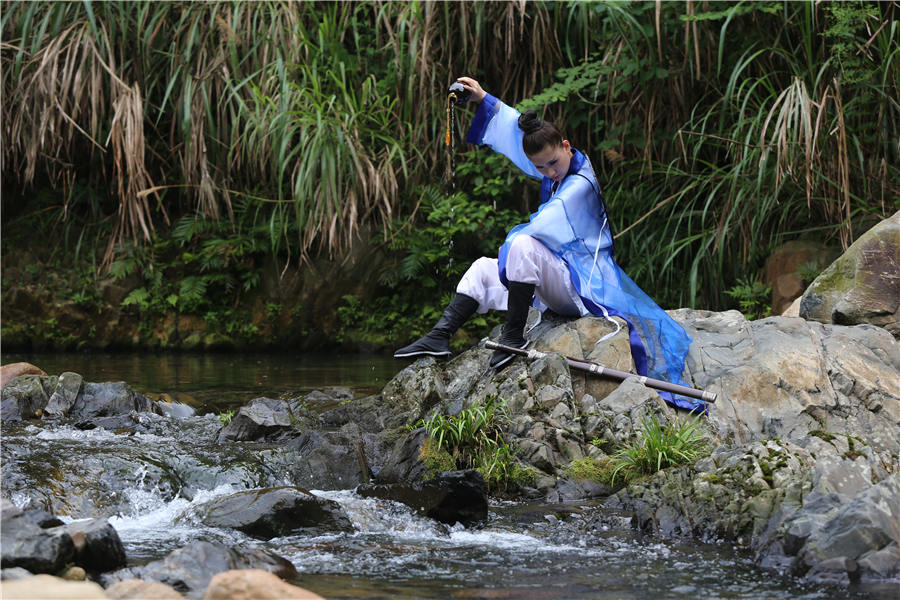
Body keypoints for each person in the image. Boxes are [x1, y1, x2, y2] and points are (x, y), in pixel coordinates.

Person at [394, 77, 703, 412]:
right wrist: (484, 98)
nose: (548, 172)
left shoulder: (580, 185)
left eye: (552, 163)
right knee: (483, 269)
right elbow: (519, 132)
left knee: (522, 244)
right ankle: (441, 335)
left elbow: (540, 228)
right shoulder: (555, 165)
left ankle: (513, 336)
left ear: (567, 146)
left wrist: (510, 253)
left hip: (582, 285)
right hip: (556, 275)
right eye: (540, 168)